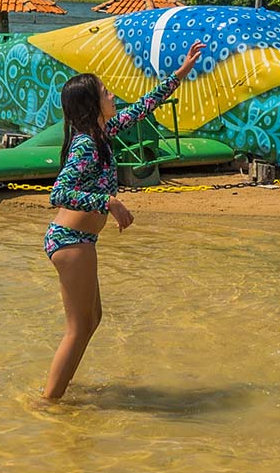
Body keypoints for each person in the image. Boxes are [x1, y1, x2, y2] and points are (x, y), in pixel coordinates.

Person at [41, 41, 206, 401]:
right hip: (70, 241)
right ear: (90, 105)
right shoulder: (85, 144)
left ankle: (60, 387)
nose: (112, 94)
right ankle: (47, 403)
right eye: (105, 91)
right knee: (78, 327)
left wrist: (180, 74)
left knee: (91, 321)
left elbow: (144, 108)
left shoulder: (102, 134)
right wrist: (108, 201)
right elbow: (58, 193)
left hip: (78, 241)